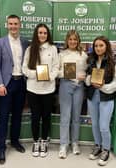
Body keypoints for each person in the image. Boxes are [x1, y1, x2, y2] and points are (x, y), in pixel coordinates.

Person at [0, 14, 29, 164]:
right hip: (7, 84)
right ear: (7, 25)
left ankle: (14, 141)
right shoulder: (0, 43)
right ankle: (1, 148)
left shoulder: (25, 42)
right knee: (3, 117)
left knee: (17, 115)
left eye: (16, 23)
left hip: (21, 82)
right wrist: (0, 84)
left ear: (20, 25)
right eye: (11, 24)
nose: (13, 26)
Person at [22, 23, 59, 157]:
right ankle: (36, 141)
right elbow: (24, 69)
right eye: (40, 33)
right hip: (33, 89)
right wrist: (36, 74)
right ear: (36, 34)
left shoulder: (53, 49)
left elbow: (56, 67)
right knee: (35, 117)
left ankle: (44, 141)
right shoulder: (30, 49)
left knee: (46, 116)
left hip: (48, 89)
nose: (42, 35)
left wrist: (49, 76)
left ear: (47, 34)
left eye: (44, 33)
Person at [85, 36, 116, 166]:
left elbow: (115, 83)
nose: (98, 48)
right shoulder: (91, 60)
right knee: (95, 124)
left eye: (101, 45)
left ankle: (106, 150)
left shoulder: (113, 62)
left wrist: (103, 86)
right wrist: (89, 80)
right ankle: (97, 146)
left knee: (104, 126)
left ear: (106, 46)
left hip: (106, 98)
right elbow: (87, 78)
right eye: (96, 46)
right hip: (92, 97)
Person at [58, 30, 88, 159]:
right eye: (70, 39)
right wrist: (72, 75)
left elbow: (88, 72)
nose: (72, 42)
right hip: (65, 85)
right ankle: (64, 145)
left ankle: (75, 142)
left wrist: (84, 77)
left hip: (79, 88)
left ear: (78, 41)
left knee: (76, 116)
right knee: (65, 116)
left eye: (75, 39)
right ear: (67, 40)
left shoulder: (84, 55)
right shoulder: (62, 54)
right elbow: (57, 72)